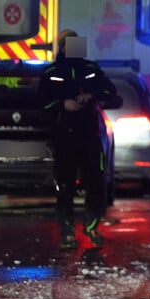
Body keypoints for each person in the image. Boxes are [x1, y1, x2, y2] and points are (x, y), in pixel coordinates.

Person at [38, 29, 118, 249]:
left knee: (96, 183)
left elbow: (110, 91)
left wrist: (91, 96)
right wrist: (62, 104)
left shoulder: (91, 69)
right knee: (65, 187)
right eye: (68, 44)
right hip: (65, 137)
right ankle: (67, 232)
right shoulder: (52, 72)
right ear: (62, 47)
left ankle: (92, 226)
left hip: (90, 136)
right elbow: (41, 102)